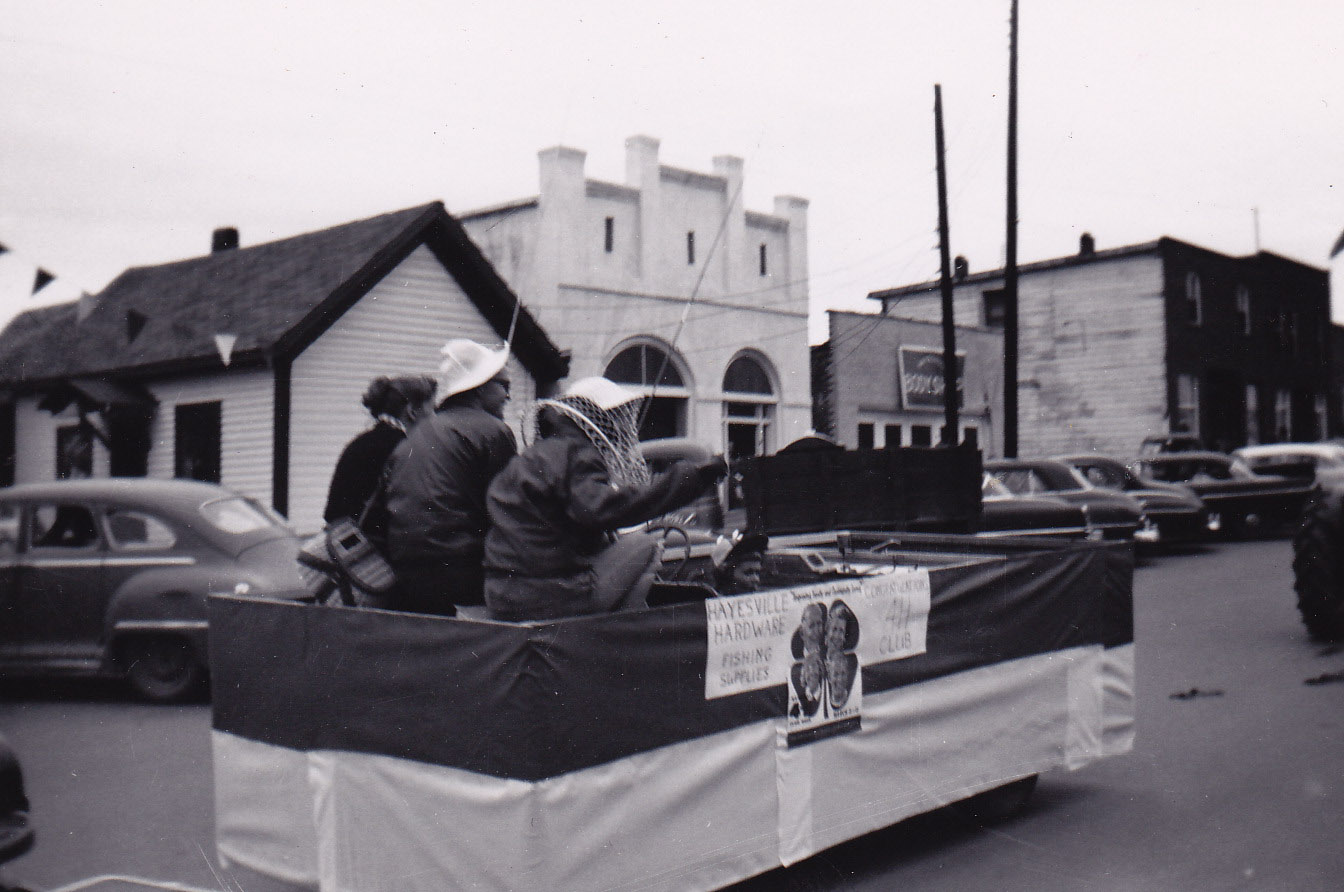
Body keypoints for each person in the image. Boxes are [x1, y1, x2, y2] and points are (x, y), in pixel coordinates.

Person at [483, 377, 727, 622]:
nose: (623, 427)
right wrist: (690, 479)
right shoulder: (579, 453)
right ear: (600, 417)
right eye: (618, 416)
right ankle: (623, 632)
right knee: (648, 544)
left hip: (503, 595)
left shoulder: (534, 456)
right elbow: (602, 509)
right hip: (553, 597)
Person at [383, 339, 516, 615]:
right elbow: (510, 511)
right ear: (481, 388)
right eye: (505, 386)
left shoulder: (419, 432)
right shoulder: (493, 430)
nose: (508, 396)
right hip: (463, 572)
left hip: (406, 572)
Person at [323, 375, 437, 526]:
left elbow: (333, 512)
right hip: (376, 547)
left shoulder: (361, 442)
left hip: (346, 542)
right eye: (433, 409)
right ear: (412, 411)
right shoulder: (406, 449)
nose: (435, 417)